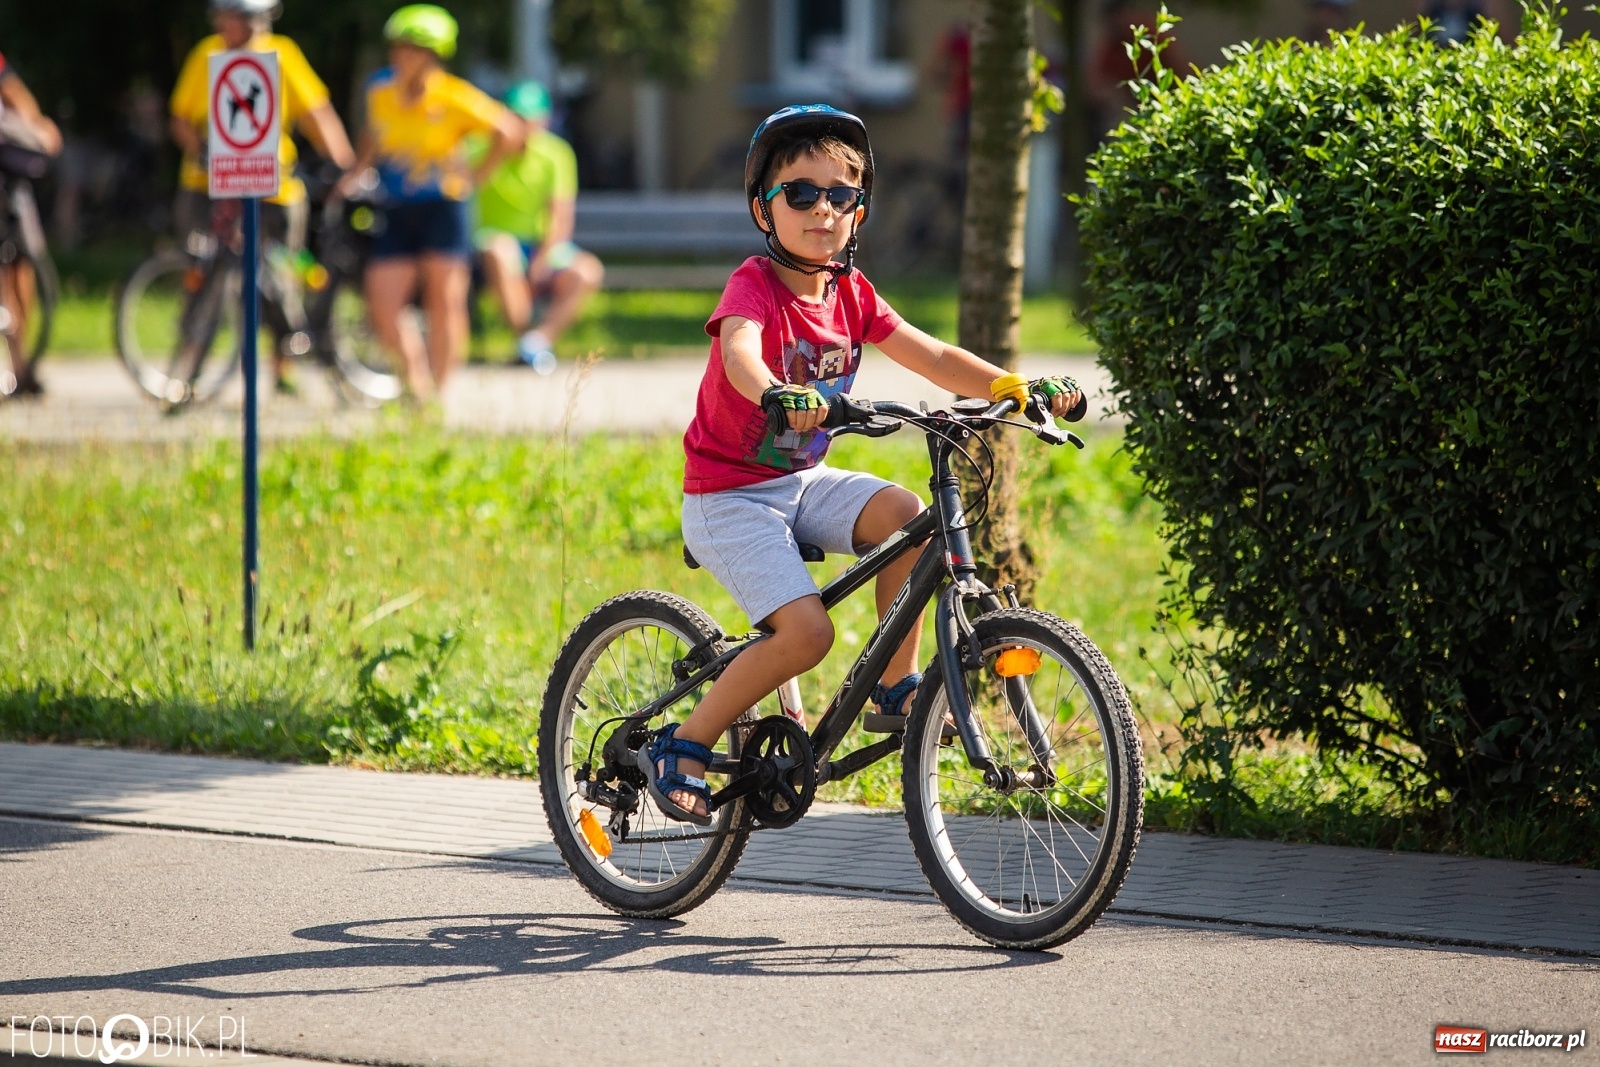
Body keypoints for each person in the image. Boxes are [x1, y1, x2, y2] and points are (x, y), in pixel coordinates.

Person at [639, 105, 1088, 824]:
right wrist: (778, 392)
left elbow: (932, 354)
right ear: (764, 207)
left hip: (800, 482)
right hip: (728, 497)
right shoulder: (753, 285)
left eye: (841, 195)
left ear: (860, 210)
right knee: (808, 635)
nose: (823, 209)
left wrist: (1013, 385)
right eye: (801, 194)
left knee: (907, 516)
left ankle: (895, 684)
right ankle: (682, 744)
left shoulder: (852, 293)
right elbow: (740, 352)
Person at [168, 0, 356, 394]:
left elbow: (316, 113)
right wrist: (201, 150)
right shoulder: (207, 54)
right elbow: (181, 118)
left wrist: (345, 166)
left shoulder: (281, 54)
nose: (227, 25)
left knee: (280, 275)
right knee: (203, 270)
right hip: (208, 184)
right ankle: (187, 363)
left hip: (272, 184)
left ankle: (283, 366)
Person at [337, 5, 520, 404]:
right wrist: (355, 172)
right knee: (382, 301)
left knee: (445, 300)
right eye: (396, 47)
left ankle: (436, 395)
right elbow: (373, 135)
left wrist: (476, 176)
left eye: (410, 49)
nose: (399, 56)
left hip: (445, 206)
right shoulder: (379, 91)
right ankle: (414, 382)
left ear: (433, 54)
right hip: (397, 206)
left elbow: (508, 131)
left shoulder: (454, 96)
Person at [472, 81, 603, 374]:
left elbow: (560, 215)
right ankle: (525, 340)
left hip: (538, 244)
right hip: (490, 245)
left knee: (587, 270)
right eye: (516, 117)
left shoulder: (556, 153)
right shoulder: (479, 145)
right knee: (499, 249)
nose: (523, 126)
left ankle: (535, 342)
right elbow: (467, 187)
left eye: (530, 119)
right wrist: (497, 152)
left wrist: (542, 259)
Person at [0, 52, 62, 397]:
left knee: (19, 266)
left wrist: (36, 127)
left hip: (8, 183)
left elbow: (15, 92)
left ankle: (21, 368)